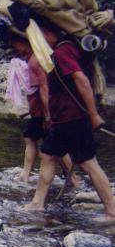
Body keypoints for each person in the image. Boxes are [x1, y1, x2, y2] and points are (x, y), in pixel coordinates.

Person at [23, 21, 115, 221]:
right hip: (69, 118)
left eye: (42, 34)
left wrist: (93, 115)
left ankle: (111, 212)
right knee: (57, 156)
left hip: (70, 118)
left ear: (48, 31)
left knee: (79, 162)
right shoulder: (71, 46)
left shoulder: (64, 51)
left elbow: (81, 80)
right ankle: (37, 203)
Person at [8, 35, 78, 186]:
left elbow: (44, 89)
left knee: (55, 145)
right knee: (30, 137)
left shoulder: (35, 60)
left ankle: (73, 179)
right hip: (38, 112)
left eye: (16, 45)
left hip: (43, 112)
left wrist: (48, 116)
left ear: (24, 42)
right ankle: (26, 174)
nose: (15, 49)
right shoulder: (33, 58)